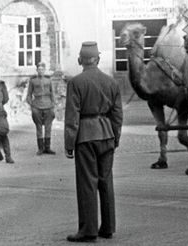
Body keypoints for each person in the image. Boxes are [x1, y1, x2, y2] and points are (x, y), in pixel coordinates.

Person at [64, 41, 123, 242]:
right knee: (106, 181)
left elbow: (72, 117)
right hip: (107, 134)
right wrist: (116, 137)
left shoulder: (76, 82)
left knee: (87, 183)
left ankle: (88, 230)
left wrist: (69, 144)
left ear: (80, 60)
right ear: (98, 59)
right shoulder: (111, 82)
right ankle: (108, 227)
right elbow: (117, 114)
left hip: (86, 135)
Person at [26, 62, 56, 155]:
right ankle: (40, 148)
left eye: (42, 69)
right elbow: (29, 95)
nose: (41, 71)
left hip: (48, 105)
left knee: (48, 127)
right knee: (38, 127)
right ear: (36, 70)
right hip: (37, 105)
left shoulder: (49, 80)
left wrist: (53, 104)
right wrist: (32, 105)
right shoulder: (33, 81)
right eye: (39, 69)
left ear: (44, 70)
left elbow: (52, 93)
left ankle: (47, 147)